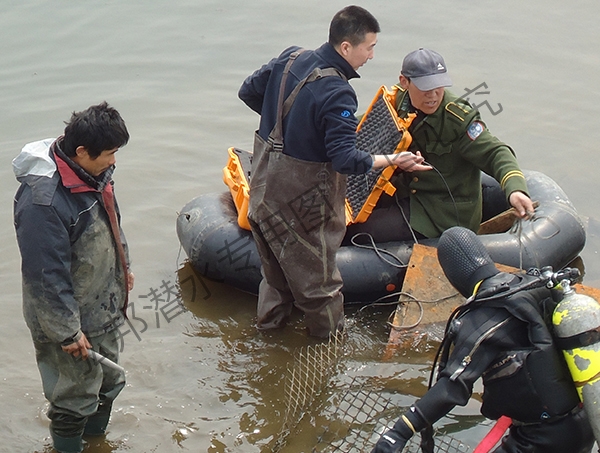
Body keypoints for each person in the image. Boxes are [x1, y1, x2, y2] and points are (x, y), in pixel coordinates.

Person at [238, 6, 430, 338]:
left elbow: (249, 91)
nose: (371, 55)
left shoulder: (290, 58)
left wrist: (289, 126)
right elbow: (345, 161)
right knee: (321, 289)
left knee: (274, 279)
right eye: (369, 47)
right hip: (303, 207)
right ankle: (328, 355)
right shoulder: (337, 91)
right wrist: (393, 160)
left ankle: (267, 340)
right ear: (346, 48)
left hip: (262, 191)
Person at [371, 226, 595, 453]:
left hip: (545, 439)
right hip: (586, 420)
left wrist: (399, 431)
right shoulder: (527, 283)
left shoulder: (484, 316)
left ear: (453, 275)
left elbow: (452, 387)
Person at [13, 102, 134, 453]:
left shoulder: (93, 173)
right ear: (81, 151)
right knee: (73, 397)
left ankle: (97, 443)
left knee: (109, 381)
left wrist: (123, 267)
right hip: (67, 320)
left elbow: (110, 221)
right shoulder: (44, 203)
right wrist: (67, 330)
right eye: (109, 153)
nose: (114, 161)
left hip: (102, 305)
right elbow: (44, 275)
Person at [346, 48, 534, 243]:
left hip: (439, 211)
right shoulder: (398, 99)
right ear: (405, 82)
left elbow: (496, 152)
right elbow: (366, 124)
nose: (433, 95)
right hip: (402, 191)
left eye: (438, 87)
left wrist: (515, 189)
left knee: (360, 233)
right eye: (425, 88)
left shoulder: (458, 120)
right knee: (339, 217)